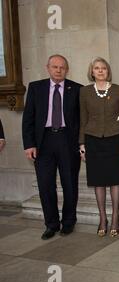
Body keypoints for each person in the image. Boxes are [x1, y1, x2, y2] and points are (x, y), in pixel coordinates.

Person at [22, 54, 82, 240]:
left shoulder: (77, 89)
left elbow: (82, 120)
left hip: (68, 141)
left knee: (70, 184)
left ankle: (69, 222)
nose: (58, 70)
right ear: (47, 68)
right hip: (43, 142)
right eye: (55, 67)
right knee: (45, 185)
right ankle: (51, 224)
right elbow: (28, 118)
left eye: (62, 67)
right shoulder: (35, 88)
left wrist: (81, 143)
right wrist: (29, 144)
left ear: (67, 69)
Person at [79, 57, 119, 237]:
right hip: (93, 140)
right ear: (92, 72)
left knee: (115, 180)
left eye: (103, 68)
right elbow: (83, 118)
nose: (100, 71)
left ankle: (115, 217)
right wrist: (82, 143)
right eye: (96, 68)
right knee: (98, 181)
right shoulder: (84, 92)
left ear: (108, 71)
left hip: (114, 139)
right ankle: (102, 218)